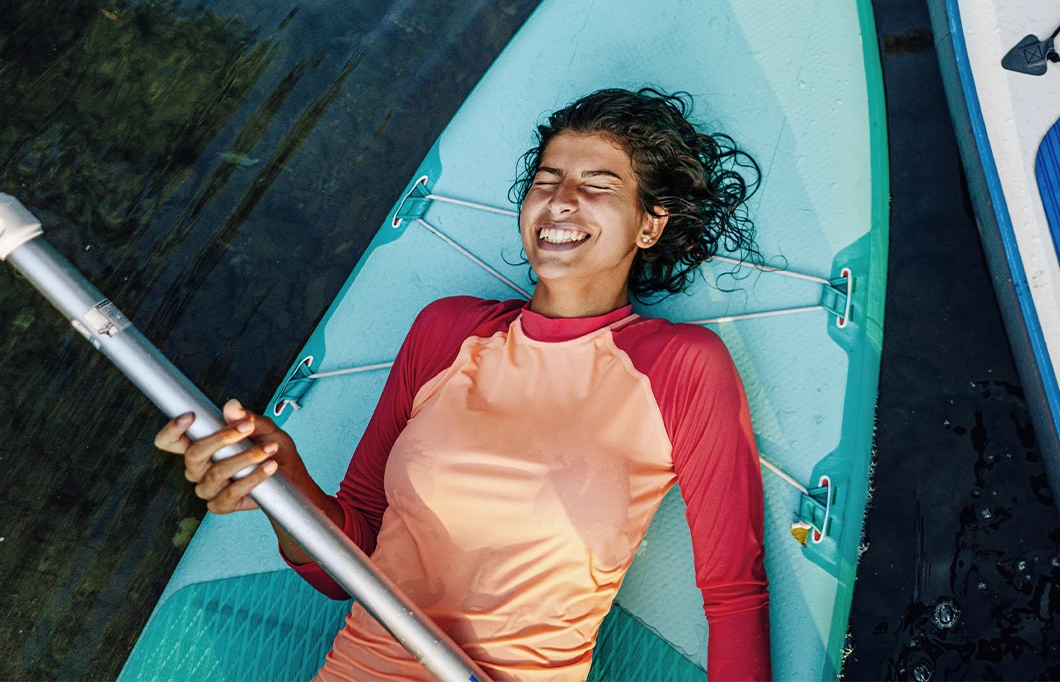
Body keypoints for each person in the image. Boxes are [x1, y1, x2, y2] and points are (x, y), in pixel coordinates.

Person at [153, 88, 772, 682]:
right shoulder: (446, 331)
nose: (560, 200)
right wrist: (282, 485)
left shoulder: (681, 366)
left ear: (649, 226)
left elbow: (734, 593)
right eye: (546, 180)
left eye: (597, 185)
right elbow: (349, 562)